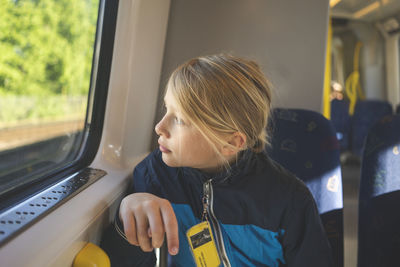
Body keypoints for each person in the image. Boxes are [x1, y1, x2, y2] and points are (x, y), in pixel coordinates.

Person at [100, 54, 334, 267]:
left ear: (232, 143)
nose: (159, 127)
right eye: (166, 109)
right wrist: (126, 220)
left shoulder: (289, 199)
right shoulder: (155, 176)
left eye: (179, 120)